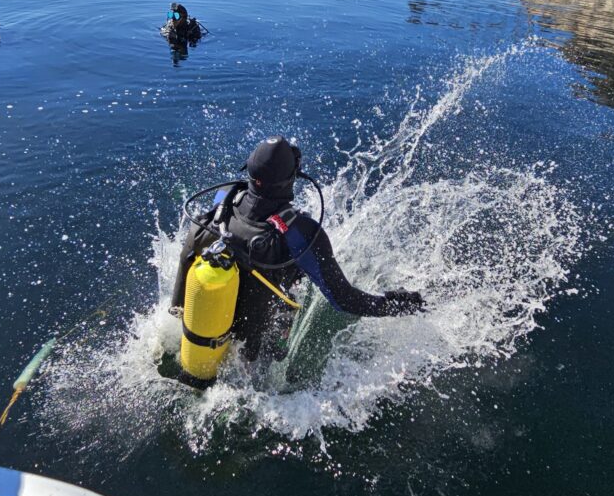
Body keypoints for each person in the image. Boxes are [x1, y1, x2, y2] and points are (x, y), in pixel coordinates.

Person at [170, 135, 425, 362]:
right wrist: (398, 305)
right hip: (250, 357)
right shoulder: (299, 231)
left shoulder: (224, 197)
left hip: (201, 330)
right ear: (292, 177)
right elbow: (344, 300)